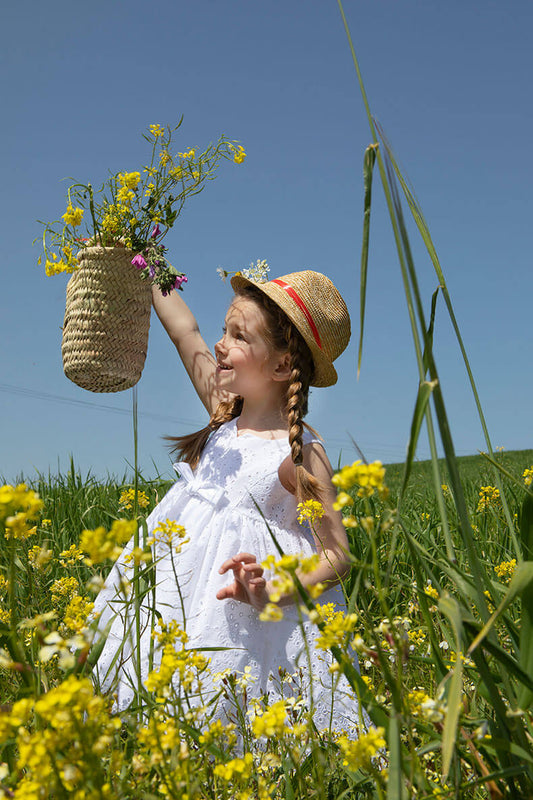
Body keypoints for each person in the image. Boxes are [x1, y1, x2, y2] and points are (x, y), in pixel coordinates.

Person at [92, 269, 364, 734]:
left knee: (227, 709)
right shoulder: (223, 410)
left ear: (281, 367)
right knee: (153, 692)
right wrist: (146, 264)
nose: (220, 344)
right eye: (224, 329)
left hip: (243, 614)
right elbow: (185, 332)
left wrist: (275, 589)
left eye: (238, 336)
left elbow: (337, 555)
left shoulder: (298, 454)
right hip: (178, 587)